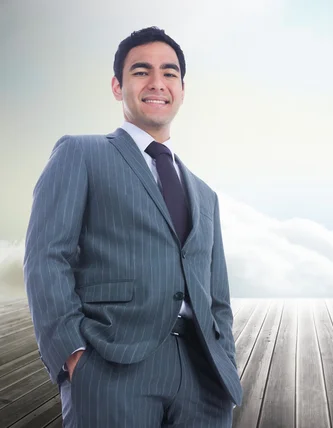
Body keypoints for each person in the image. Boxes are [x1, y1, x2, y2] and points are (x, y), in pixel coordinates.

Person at [23, 26, 242, 427]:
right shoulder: (80, 153)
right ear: (116, 85)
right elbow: (46, 258)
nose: (157, 82)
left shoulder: (204, 193)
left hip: (204, 377)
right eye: (141, 71)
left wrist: (224, 356)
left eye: (169, 72)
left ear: (182, 87)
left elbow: (218, 297)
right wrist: (72, 355)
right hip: (111, 365)